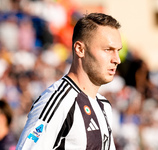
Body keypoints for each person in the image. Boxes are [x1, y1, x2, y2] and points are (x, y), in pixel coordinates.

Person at [16, 12, 122, 150]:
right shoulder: (59, 101)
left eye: (118, 50)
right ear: (80, 49)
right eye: (108, 50)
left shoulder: (104, 106)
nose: (117, 59)